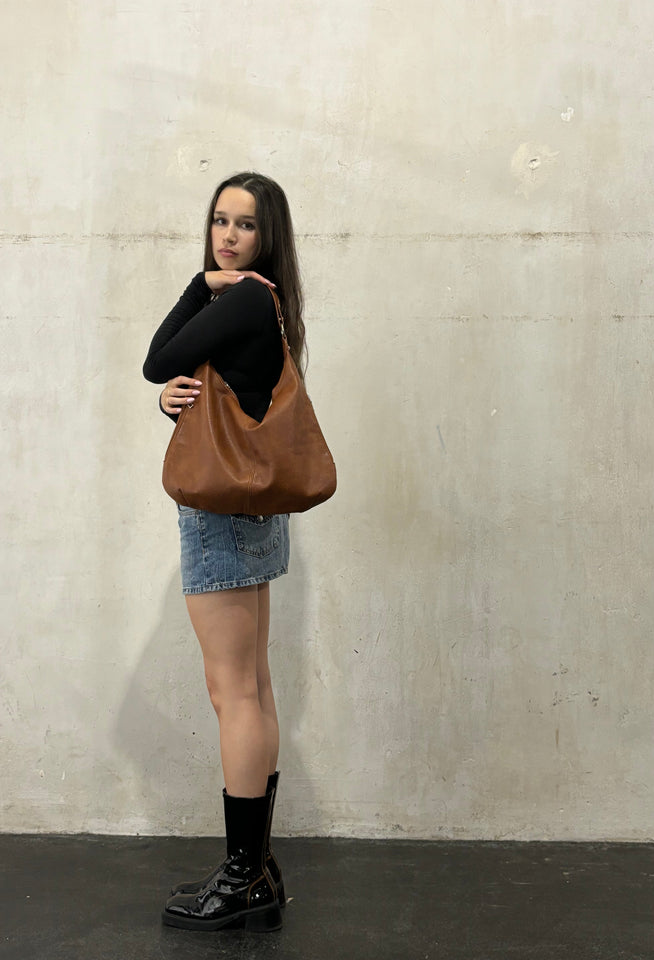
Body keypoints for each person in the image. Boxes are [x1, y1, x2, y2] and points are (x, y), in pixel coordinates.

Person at [143, 172, 306, 933]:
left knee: (232, 692)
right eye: (219, 221)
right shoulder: (265, 304)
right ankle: (258, 868)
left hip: (221, 514)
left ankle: (242, 877)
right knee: (254, 689)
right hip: (251, 509)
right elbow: (202, 384)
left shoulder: (241, 298)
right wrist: (175, 396)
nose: (228, 237)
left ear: (267, 237)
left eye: (244, 224)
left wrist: (200, 283)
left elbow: (159, 356)